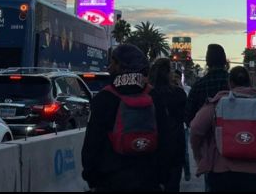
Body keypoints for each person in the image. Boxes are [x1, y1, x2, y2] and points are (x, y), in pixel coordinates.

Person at [82, 44, 168, 192]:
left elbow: (92, 143)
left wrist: (92, 178)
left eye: (113, 63)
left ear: (120, 66)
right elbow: (166, 141)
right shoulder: (154, 96)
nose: (109, 67)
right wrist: (162, 178)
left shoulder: (104, 98)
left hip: (110, 181)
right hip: (148, 181)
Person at [190, 66, 256, 192]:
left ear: (230, 83)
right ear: (250, 82)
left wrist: (200, 156)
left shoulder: (218, 104)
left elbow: (195, 128)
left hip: (223, 174)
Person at [149, 58, 187, 192]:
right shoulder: (178, 94)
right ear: (168, 73)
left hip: (152, 150)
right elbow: (186, 118)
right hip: (174, 148)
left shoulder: (148, 94)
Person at [185, 44, 230, 126]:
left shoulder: (199, 85)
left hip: (205, 134)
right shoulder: (233, 82)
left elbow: (188, 116)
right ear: (224, 60)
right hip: (231, 133)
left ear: (207, 61)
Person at [172, 70, 192, 183]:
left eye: (177, 77)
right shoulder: (169, 90)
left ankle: (187, 171)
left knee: (184, 151)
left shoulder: (187, 89)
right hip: (172, 126)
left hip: (183, 126)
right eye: (173, 77)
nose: (175, 79)